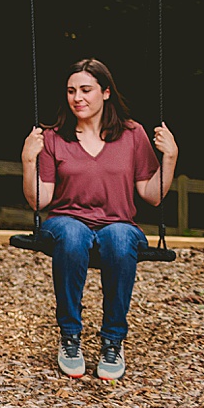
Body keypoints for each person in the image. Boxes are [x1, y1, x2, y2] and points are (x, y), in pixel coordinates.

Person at [21, 58, 178, 381]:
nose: (77, 97)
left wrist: (171, 156)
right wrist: (27, 160)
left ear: (106, 93)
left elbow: (152, 194)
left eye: (86, 90)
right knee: (74, 234)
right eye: (71, 91)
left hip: (117, 222)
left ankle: (113, 340)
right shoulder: (53, 137)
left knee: (120, 239)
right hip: (65, 220)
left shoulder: (132, 135)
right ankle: (70, 337)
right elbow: (41, 199)